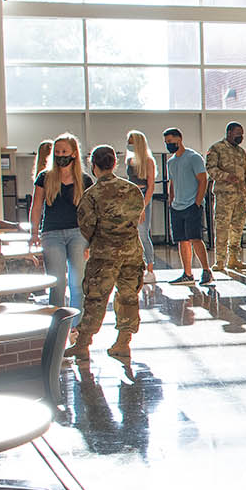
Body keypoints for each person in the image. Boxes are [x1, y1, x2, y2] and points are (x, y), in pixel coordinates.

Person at [72, 146, 147, 363]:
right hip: (132, 251)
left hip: (104, 254)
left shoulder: (92, 195)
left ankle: (83, 344)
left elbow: (86, 226)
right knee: (128, 296)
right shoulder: (133, 190)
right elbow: (136, 217)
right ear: (115, 163)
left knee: (96, 298)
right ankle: (123, 343)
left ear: (93, 165)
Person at [28, 133, 89, 307]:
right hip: (51, 233)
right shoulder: (44, 177)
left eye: (64, 151)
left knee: (77, 284)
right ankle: (59, 326)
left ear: (74, 154)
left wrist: (91, 240)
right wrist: (34, 233)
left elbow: (90, 212)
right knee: (57, 284)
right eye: (58, 151)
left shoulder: (84, 180)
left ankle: (78, 328)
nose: (61, 155)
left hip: (78, 233)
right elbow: (37, 206)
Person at [161, 127, 210, 285]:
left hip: (191, 205)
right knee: (182, 240)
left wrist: (197, 202)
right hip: (177, 206)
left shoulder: (193, 157)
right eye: (166, 142)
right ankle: (187, 274)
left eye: (170, 141)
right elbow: (172, 182)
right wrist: (171, 200)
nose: (168, 145)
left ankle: (206, 271)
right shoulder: (171, 161)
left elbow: (203, 180)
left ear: (179, 139)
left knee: (195, 238)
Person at [206, 122, 246, 273]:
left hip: (240, 195)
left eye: (243, 134)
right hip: (224, 195)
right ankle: (219, 260)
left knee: (237, 228)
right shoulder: (216, 149)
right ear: (229, 132)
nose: (241, 136)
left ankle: (233, 259)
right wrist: (226, 177)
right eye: (238, 133)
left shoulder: (241, 152)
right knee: (222, 227)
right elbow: (210, 169)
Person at [125, 130, 157, 273]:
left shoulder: (148, 161)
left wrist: (143, 206)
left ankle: (150, 268)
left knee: (143, 233)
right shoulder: (129, 160)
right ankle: (137, 266)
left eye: (131, 143)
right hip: (130, 195)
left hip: (143, 195)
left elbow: (151, 186)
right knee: (132, 234)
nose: (129, 145)